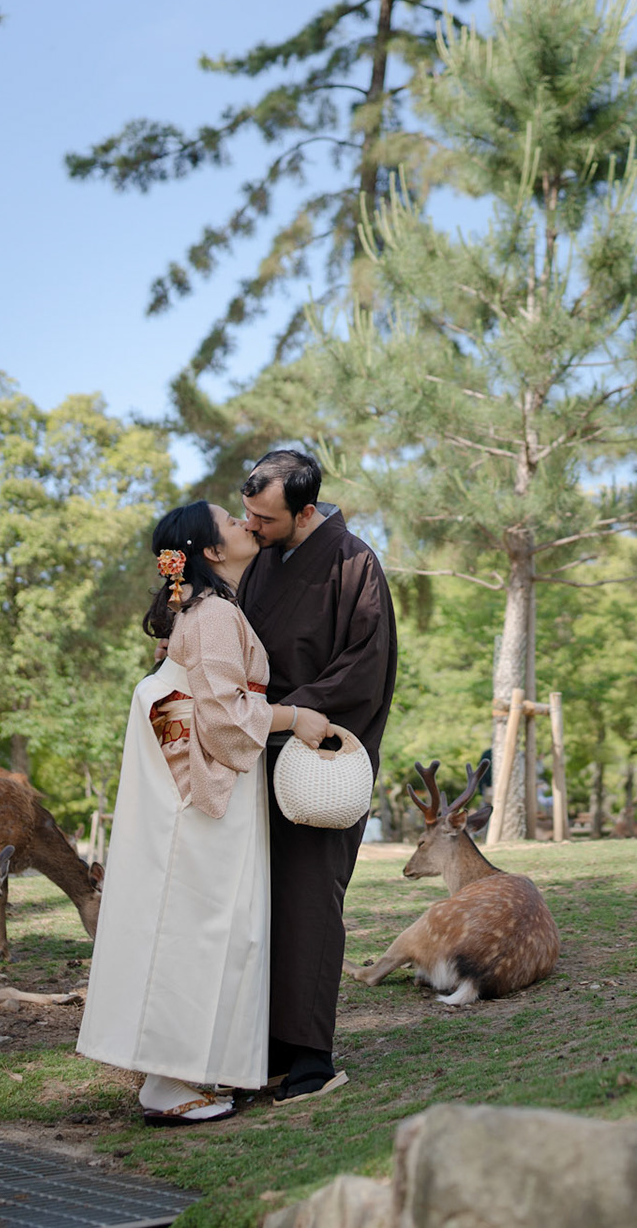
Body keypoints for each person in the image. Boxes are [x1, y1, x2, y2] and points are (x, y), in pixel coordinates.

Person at [78, 501, 330, 1125]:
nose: (248, 522)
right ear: (211, 552)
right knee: (206, 924)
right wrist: (297, 718)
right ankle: (168, 1080)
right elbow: (220, 713)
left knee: (194, 922)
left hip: (192, 776)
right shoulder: (214, 613)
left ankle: (180, 1070)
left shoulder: (202, 611)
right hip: (210, 783)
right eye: (232, 520)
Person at [236, 450, 398, 1103]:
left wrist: (294, 712)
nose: (251, 524)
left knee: (308, 896)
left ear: (305, 512)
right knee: (258, 899)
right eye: (246, 511)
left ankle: (311, 1057)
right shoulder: (253, 558)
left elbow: (366, 668)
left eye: (264, 517)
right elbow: (187, 579)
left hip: (315, 756)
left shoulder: (356, 565)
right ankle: (264, 1043)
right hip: (253, 747)